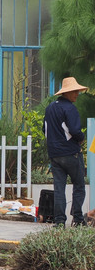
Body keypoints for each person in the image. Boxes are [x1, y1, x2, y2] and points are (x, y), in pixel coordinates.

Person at [43, 77, 89, 226]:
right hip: (71, 154)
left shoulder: (50, 108)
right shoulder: (70, 108)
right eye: (74, 91)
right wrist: (81, 138)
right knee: (79, 186)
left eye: (77, 91)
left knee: (59, 189)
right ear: (67, 93)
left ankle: (59, 222)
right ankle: (77, 219)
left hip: (55, 156)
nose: (77, 94)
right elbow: (75, 131)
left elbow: (45, 129)